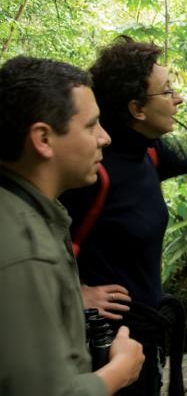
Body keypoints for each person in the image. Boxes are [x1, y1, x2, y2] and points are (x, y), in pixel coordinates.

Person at [59, 36, 187, 395]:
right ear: (137, 109)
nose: (178, 98)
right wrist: (77, 292)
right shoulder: (92, 173)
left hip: (145, 339)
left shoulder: (150, 154)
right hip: (104, 347)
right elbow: (37, 245)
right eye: (168, 92)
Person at [0, 56, 145, 395]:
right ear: (43, 139)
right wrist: (119, 371)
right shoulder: (26, 252)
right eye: (92, 125)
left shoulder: (29, 214)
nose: (105, 138)